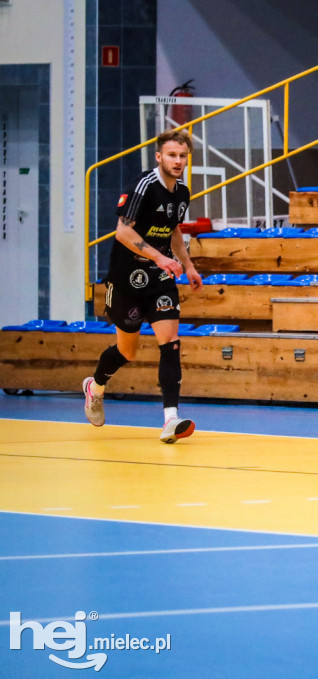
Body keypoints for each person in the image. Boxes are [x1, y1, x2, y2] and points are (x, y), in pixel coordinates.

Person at [83, 128, 204, 444]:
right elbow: (122, 232)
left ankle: (170, 419)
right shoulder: (143, 185)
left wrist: (188, 266)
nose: (178, 162)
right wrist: (159, 258)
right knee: (128, 352)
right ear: (159, 156)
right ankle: (95, 387)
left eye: (183, 157)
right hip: (125, 280)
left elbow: (173, 232)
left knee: (171, 342)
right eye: (172, 156)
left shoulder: (182, 193)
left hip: (160, 281)